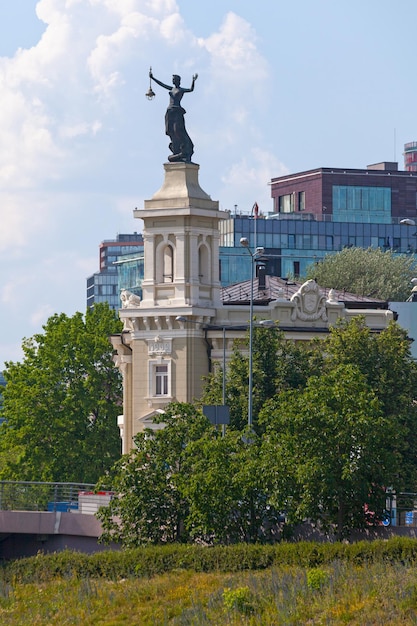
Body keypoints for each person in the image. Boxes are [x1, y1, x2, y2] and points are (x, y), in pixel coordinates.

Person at [149, 69, 198, 162]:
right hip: (169, 111)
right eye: (173, 80)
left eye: (174, 79)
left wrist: (193, 81)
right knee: (170, 130)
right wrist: (153, 78)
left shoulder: (181, 90)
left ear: (178, 81)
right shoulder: (171, 89)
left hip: (177, 110)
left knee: (177, 130)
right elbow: (162, 84)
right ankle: (176, 149)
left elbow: (191, 90)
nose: (173, 81)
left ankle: (183, 148)